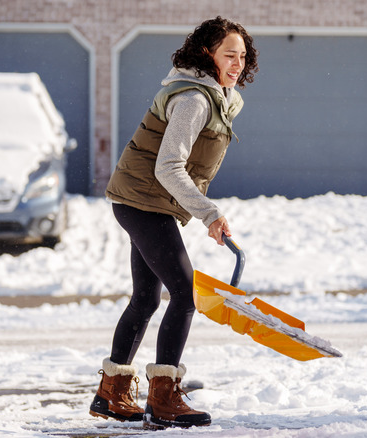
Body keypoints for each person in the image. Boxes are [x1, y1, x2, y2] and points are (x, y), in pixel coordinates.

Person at [88, 16, 258, 429]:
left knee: (147, 298)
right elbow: (168, 167)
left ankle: (111, 394)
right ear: (207, 54)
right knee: (184, 294)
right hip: (144, 201)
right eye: (228, 55)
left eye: (242, 56)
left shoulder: (216, 96)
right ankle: (163, 399)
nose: (236, 64)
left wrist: (203, 211)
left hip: (144, 200)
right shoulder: (194, 100)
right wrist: (208, 212)